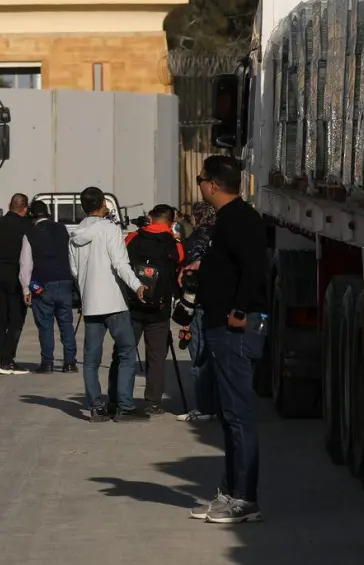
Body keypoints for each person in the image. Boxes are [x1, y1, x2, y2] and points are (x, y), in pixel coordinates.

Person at [190, 155, 268, 524]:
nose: (200, 185)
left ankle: (245, 498)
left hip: (235, 327)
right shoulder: (230, 219)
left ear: (214, 185)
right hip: (222, 325)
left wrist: (239, 309)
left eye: (201, 179)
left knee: (239, 416)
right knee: (229, 416)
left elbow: (254, 266)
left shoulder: (239, 219)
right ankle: (229, 491)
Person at [68, 186, 148, 422]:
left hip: (91, 303)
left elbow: (74, 271)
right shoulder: (110, 230)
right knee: (126, 353)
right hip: (114, 302)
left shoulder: (75, 234)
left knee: (91, 360)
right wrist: (137, 285)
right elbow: (120, 264)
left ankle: (96, 407)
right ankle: (124, 406)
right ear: (103, 203)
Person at [125, 204, 185, 413]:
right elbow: (179, 271)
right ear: (172, 221)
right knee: (157, 357)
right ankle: (153, 402)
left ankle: (119, 397)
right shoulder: (175, 245)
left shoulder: (133, 238)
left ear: (150, 217)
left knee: (124, 353)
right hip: (159, 309)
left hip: (132, 305)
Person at [19, 200, 76, 374]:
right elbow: (71, 256)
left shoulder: (29, 234)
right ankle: (69, 363)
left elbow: (25, 265)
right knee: (66, 323)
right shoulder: (62, 229)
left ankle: (48, 362)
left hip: (42, 284)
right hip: (65, 281)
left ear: (31, 216)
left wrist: (26, 289)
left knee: (45, 325)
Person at [177, 202, 219, 422]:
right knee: (217, 355)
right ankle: (218, 405)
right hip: (221, 303)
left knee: (198, 357)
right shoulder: (222, 237)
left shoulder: (193, 240)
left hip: (199, 303)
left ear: (196, 218)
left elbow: (189, 272)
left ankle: (203, 408)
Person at [0, 193, 31, 375]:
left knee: (1, 319)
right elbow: (27, 256)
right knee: (16, 319)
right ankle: (7, 360)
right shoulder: (26, 226)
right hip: (15, 277)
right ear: (25, 208)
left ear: (9, 204)